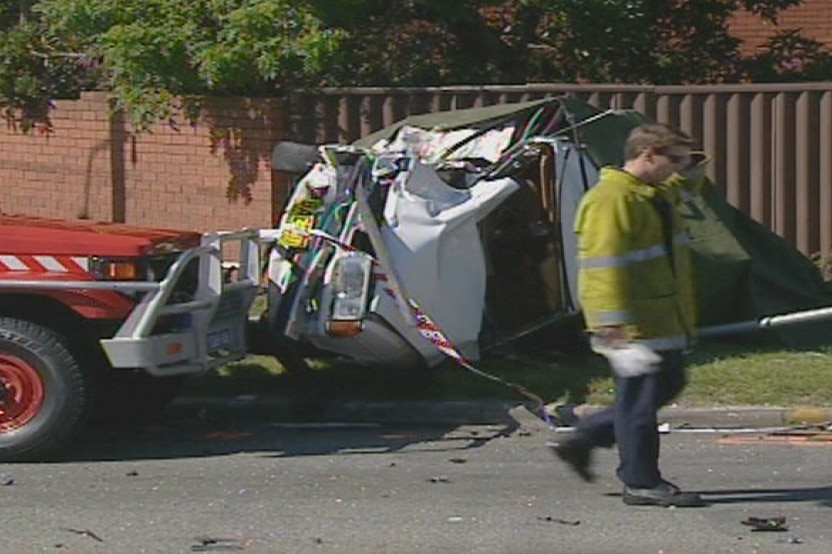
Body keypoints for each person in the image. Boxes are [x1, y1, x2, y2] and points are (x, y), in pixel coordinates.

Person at [551, 123, 704, 508]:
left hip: (659, 319)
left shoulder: (650, 195)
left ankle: (584, 439)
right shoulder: (611, 201)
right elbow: (601, 271)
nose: (681, 168)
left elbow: (684, 186)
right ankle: (640, 481)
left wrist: (691, 163)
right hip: (632, 326)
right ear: (648, 155)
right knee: (640, 404)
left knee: (664, 386)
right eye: (675, 159)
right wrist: (611, 333)